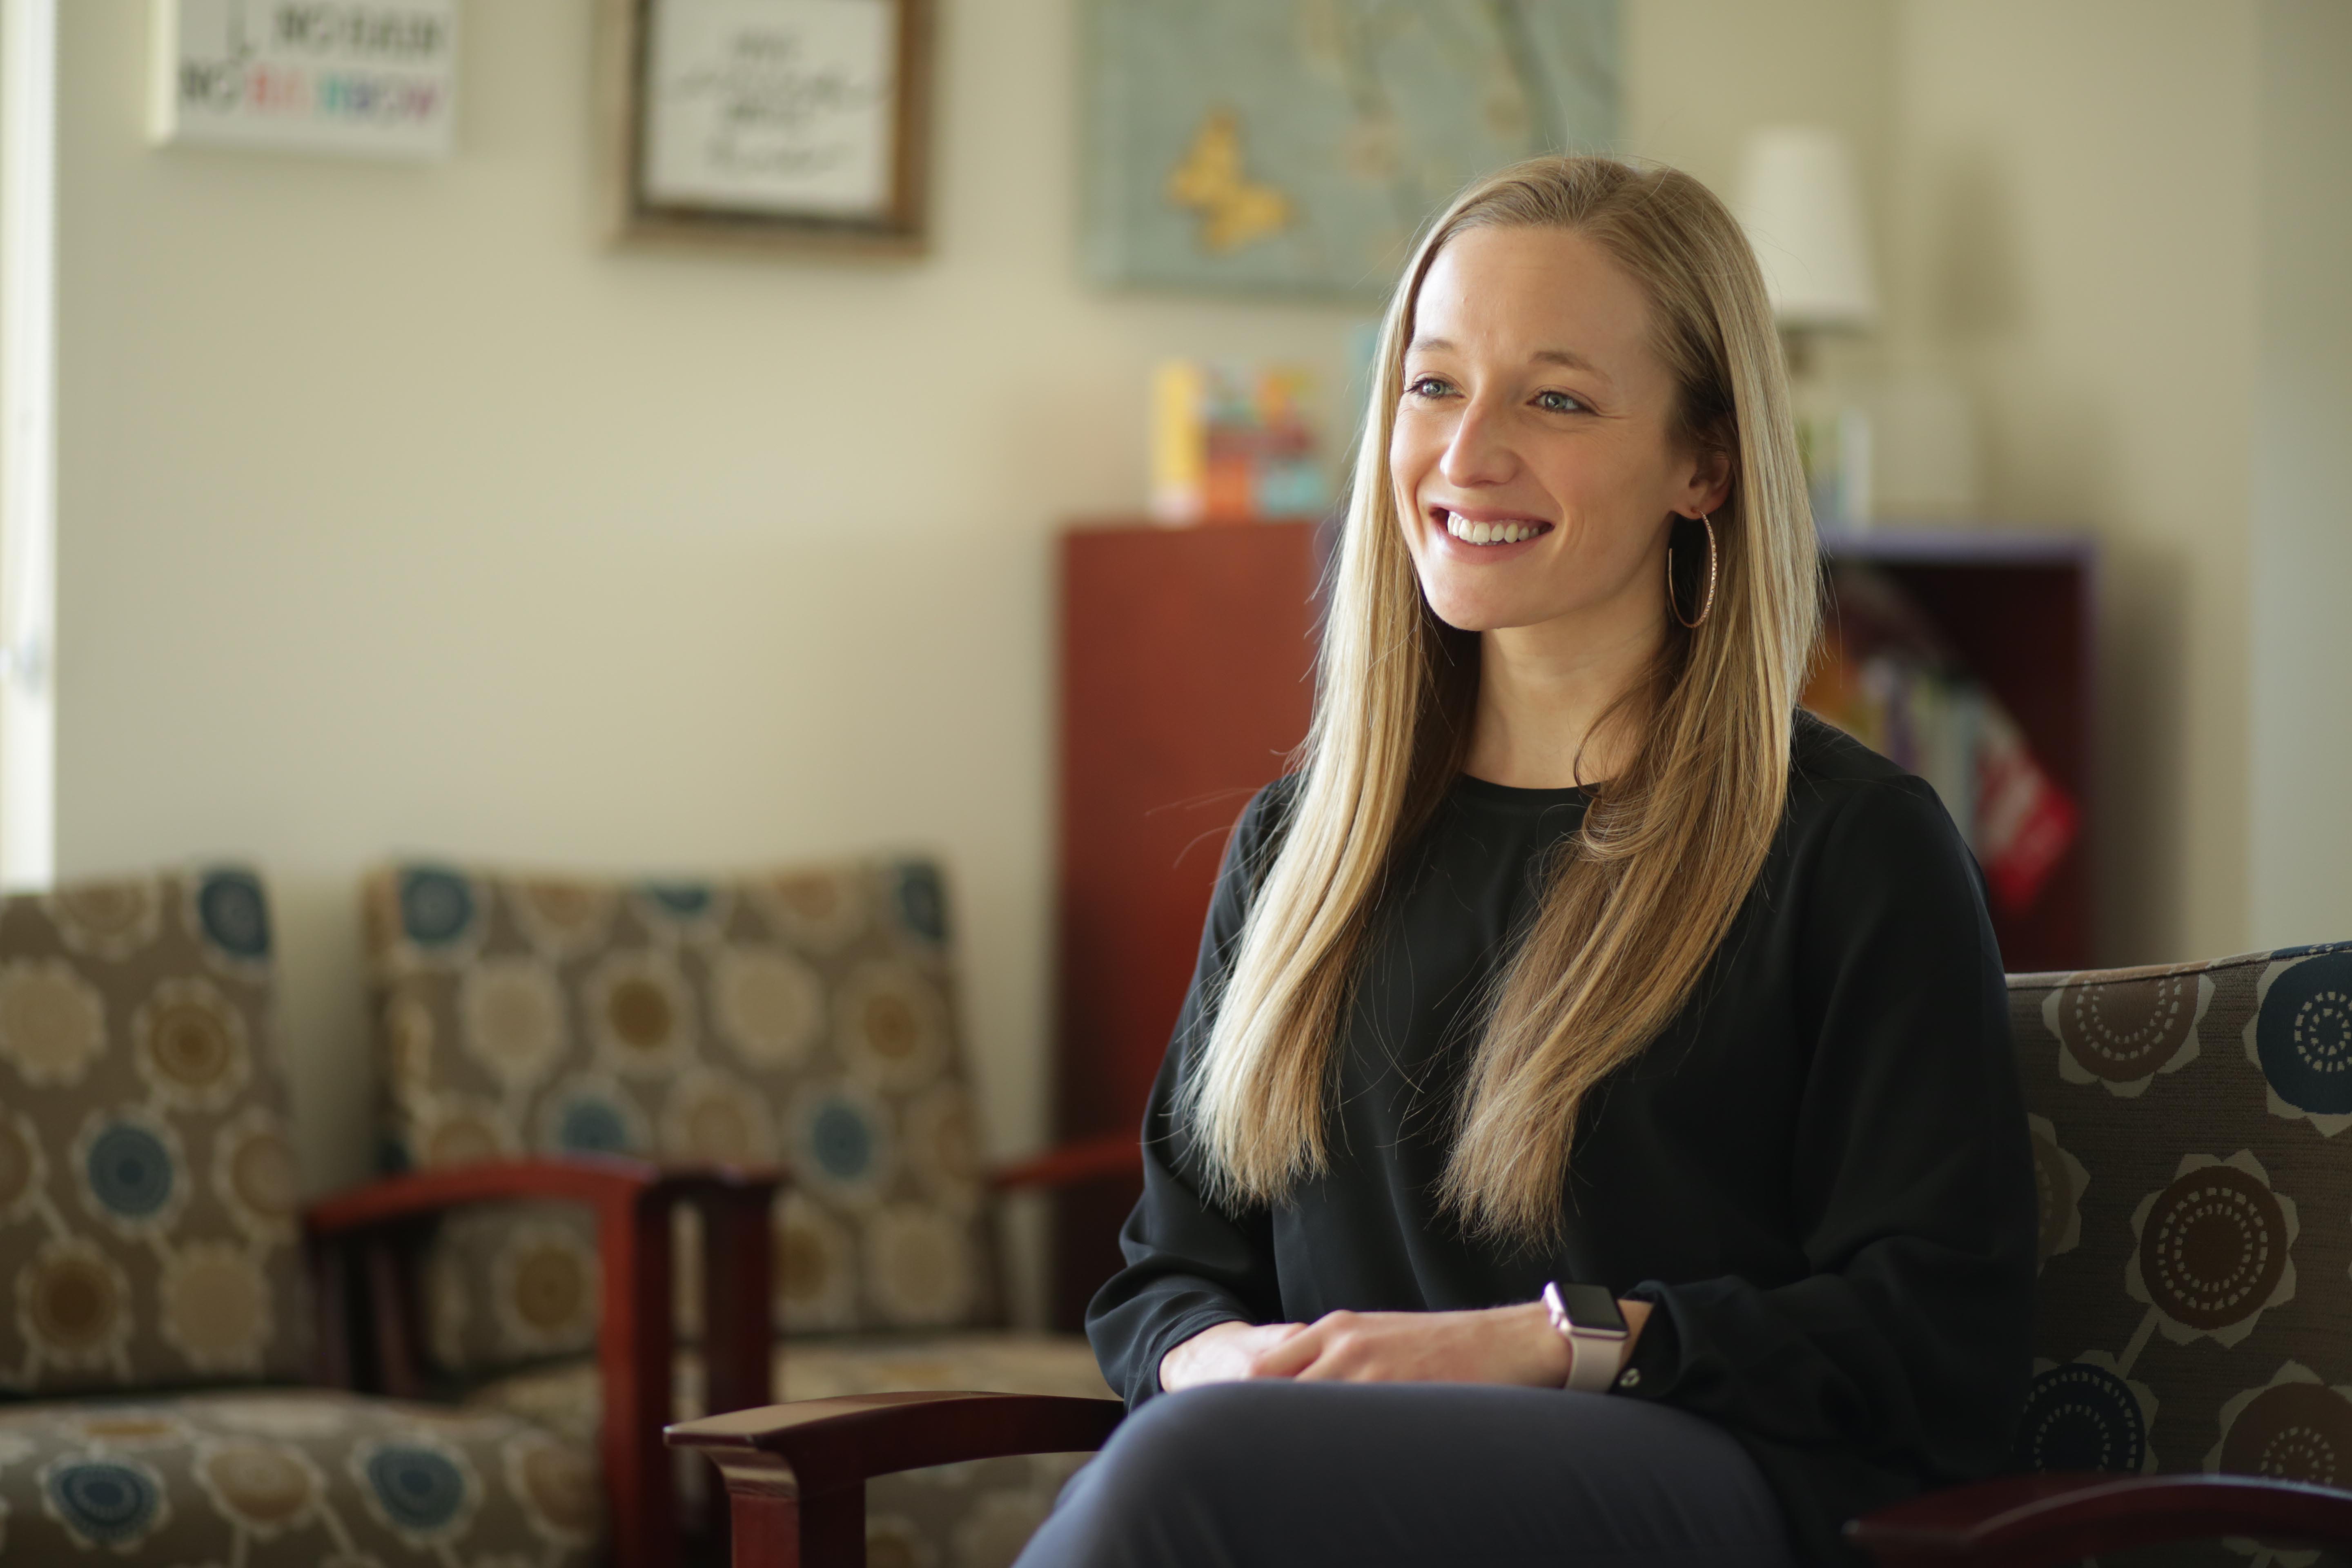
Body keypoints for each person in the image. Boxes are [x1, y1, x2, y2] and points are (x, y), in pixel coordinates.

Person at [1016, 155, 2035, 1568]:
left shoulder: (1851, 847)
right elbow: (1169, 1280)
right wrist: (1218, 1369)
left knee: (1191, 1481)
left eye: (1555, 399)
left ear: (1707, 463)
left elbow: (1939, 1333)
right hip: (1297, 1487)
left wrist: (1544, 1348)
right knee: (1200, 1451)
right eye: (1432, 385)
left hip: (1713, 1500)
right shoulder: (1300, 848)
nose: (1467, 452)